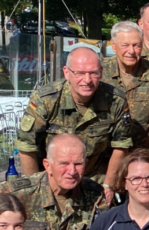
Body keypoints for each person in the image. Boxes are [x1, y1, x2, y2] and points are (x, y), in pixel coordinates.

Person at [15, 47, 134, 204]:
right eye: (79, 73)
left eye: (93, 73)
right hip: (52, 179)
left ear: (101, 72)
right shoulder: (46, 100)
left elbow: (121, 146)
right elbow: (26, 146)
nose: (87, 80)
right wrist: (36, 190)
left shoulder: (115, 101)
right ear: (66, 72)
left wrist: (108, 185)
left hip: (94, 180)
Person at [101, 21, 149, 150]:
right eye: (125, 45)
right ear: (113, 45)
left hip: (142, 153)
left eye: (136, 45)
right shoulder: (100, 72)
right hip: (105, 154)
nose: (131, 51)